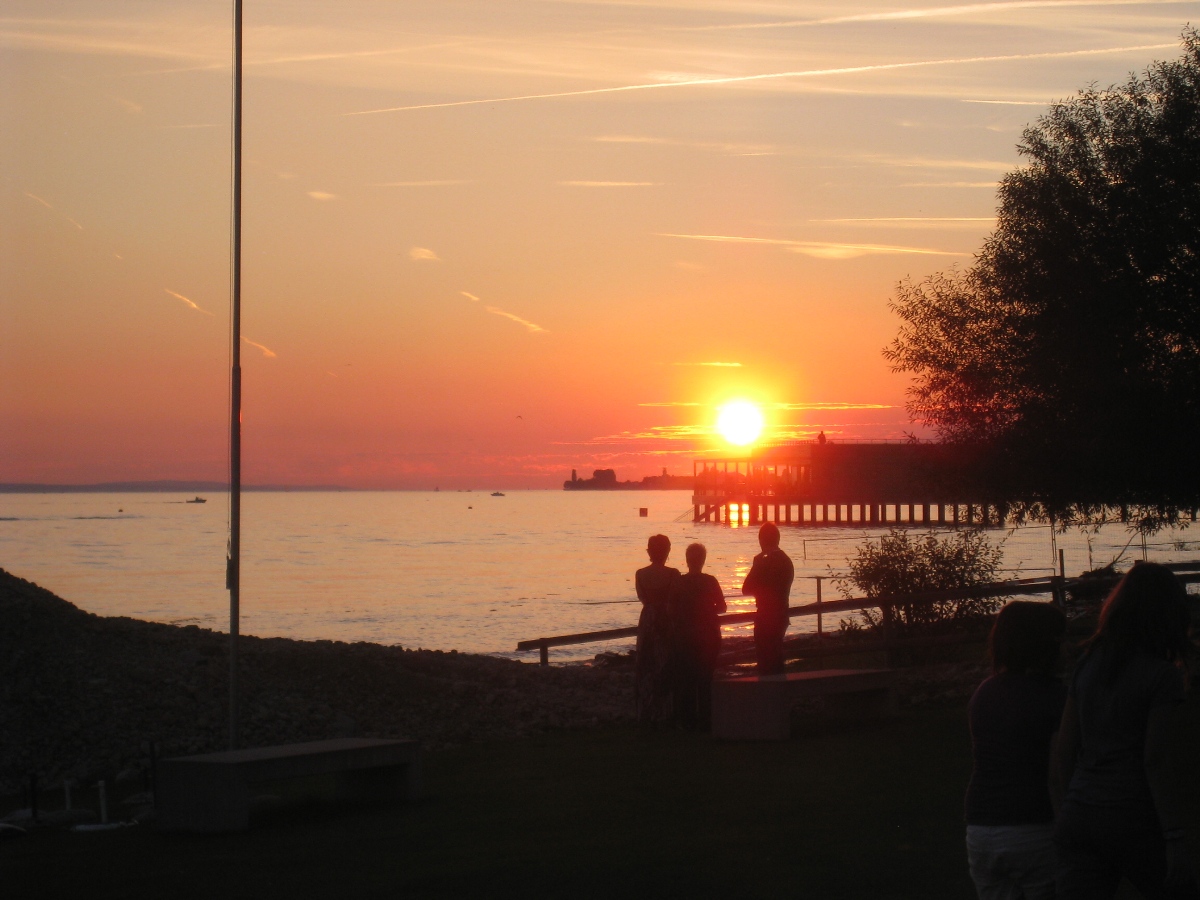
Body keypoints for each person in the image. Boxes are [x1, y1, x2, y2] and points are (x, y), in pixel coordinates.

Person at [1053, 562, 1199, 899]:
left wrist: (1067, 809)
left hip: (1080, 813)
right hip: (1131, 816)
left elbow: (1065, 748)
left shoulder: (1089, 663)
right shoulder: (1162, 676)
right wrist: (1174, 836)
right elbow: (1155, 760)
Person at [965, 601, 1068, 900]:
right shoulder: (1057, 698)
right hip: (1033, 829)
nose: (1067, 648)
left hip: (980, 829)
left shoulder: (984, 691)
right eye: (1061, 639)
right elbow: (1058, 773)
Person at [669, 542, 727, 730]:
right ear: (703, 560)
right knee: (705, 677)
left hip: (685, 635)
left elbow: (671, 609)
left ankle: (687, 719)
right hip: (708, 635)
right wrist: (707, 609)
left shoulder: (679, 582)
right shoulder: (710, 581)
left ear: (687, 561)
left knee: (687, 678)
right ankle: (705, 718)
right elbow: (722, 607)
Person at [635, 534, 680, 724]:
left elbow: (642, 597)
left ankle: (646, 710)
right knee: (666, 664)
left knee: (646, 663)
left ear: (649, 552)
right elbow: (675, 599)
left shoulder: (640, 574)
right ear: (667, 551)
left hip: (648, 619)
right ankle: (665, 712)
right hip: (665, 619)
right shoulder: (673, 574)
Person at [742, 522, 793, 676]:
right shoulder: (786, 561)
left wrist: (756, 565)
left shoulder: (763, 562)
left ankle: (769, 686)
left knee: (765, 659)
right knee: (776, 656)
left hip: (765, 616)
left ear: (762, 540)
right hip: (782, 614)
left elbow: (746, 589)